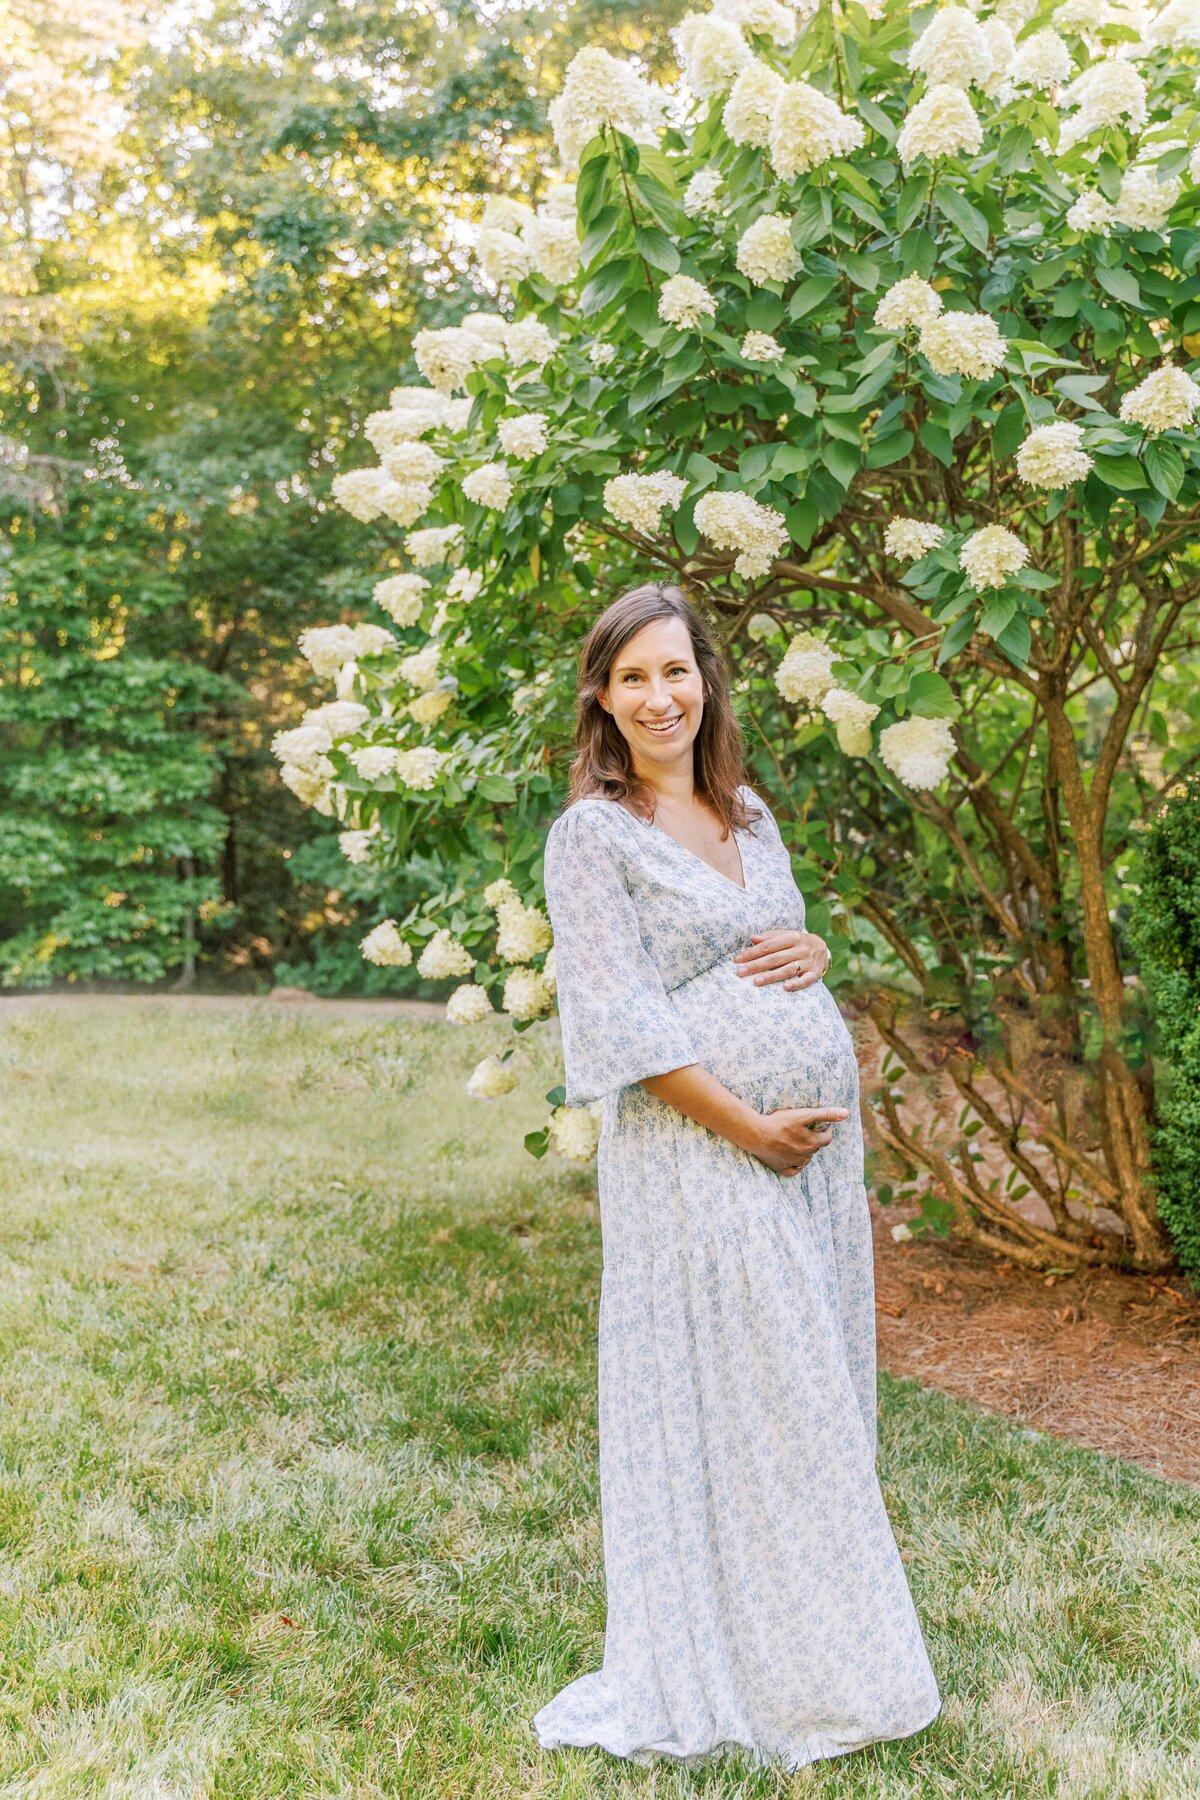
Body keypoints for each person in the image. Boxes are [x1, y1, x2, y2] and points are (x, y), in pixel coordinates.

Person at [530, 580, 941, 1774]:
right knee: (754, 1394)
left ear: (706, 680)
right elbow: (616, 1023)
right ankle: (758, 1670)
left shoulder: (745, 810)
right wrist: (749, 1129)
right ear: (602, 699)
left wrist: (811, 947)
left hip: (803, 1161)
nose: (660, 696)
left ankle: (812, 1654)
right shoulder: (592, 836)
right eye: (633, 677)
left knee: (804, 1383)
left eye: (677, 671)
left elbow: (774, 939)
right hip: (697, 1153)